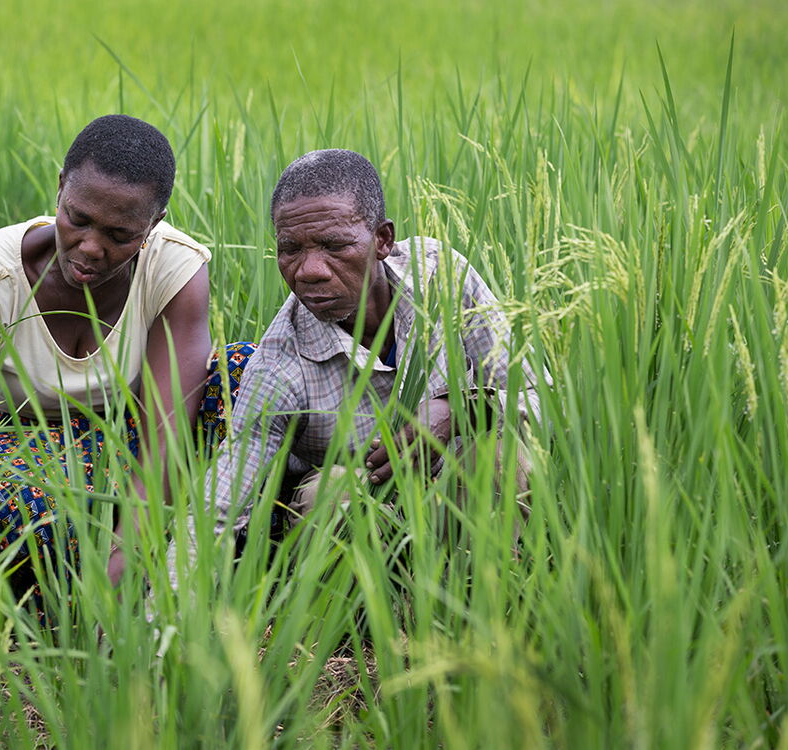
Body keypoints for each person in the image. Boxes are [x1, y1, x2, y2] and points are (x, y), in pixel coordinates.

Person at [166, 149, 546, 586]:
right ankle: (365, 635)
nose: (309, 271)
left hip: (460, 506)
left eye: (335, 246)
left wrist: (461, 409)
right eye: (289, 249)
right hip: (370, 531)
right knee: (328, 494)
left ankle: (491, 604)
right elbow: (220, 504)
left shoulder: (442, 277)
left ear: (383, 240)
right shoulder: (281, 361)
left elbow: (540, 400)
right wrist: (160, 626)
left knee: (505, 455)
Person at [0, 115, 252, 618]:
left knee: (245, 374)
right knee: (30, 512)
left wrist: (125, 554)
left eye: (121, 233)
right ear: (59, 189)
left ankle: (228, 554)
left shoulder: (175, 267)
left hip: (132, 441)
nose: (91, 247)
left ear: (155, 222)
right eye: (77, 219)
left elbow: (168, 433)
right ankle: (61, 590)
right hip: (22, 450)